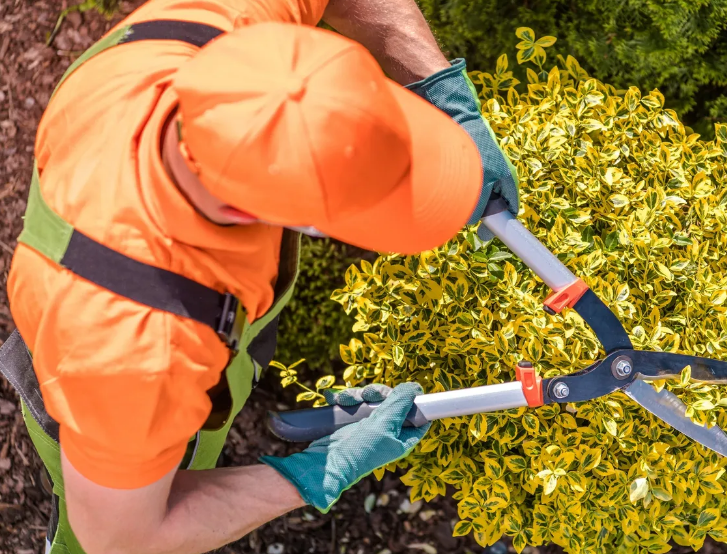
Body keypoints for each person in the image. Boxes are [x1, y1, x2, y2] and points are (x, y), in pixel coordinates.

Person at [0, 0, 519, 552]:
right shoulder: (139, 354)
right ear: (252, 215)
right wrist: (317, 472)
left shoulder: (229, 45)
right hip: (95, 406)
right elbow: (122, 536)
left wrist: (442, 93)